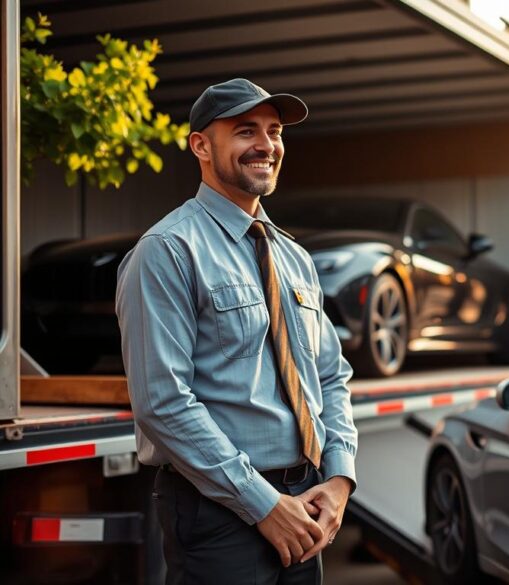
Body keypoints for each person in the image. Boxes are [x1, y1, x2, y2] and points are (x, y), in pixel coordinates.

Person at [116, 78, 358, 584]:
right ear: (201, 146)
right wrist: (261, 503)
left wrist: (338, 478)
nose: (266, 145)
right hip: (218, 513)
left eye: (274, 132)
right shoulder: (168, 250)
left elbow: (330, 378)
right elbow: (162, 401)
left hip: (306, 504)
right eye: (246, 131)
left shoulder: (295, 257)